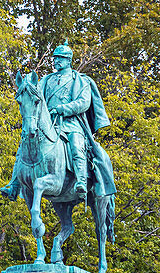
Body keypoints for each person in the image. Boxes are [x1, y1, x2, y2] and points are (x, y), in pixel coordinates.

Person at [38, 43, 112, 200]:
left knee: (77, 146)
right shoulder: (46, 80)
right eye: (55, 58)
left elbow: (83, 102)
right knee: (27, 143)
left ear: (68, 60)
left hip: (71, 123)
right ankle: (15, 183)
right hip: (49, 124)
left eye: (60, 58)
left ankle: (81, 181)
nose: (56, 61)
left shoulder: (80, 80)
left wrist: (62, 109)